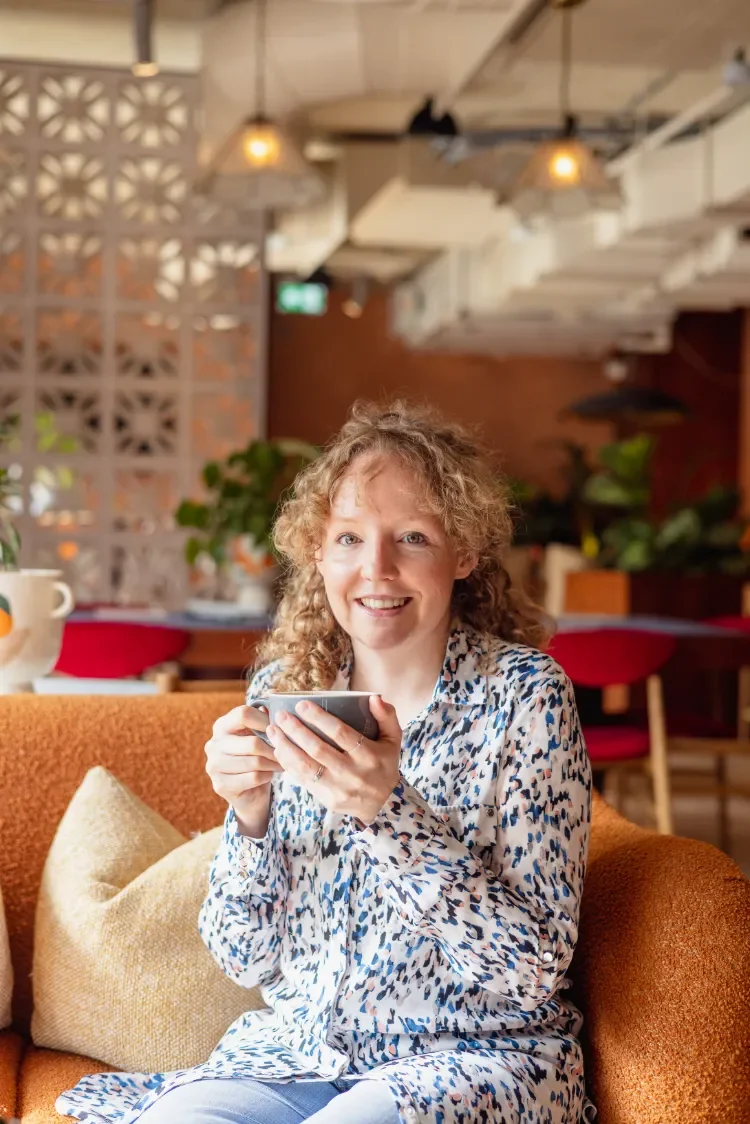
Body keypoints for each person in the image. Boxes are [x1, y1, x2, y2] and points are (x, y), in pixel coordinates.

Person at [57, 401, 595, 1124]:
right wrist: (248, 819)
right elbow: (243, 958)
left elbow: (532, 970)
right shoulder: (288, 689)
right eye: (348, 538)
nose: (376, 569)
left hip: (469, 1061)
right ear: (318, 552)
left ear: (463, 552)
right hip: (294, 1056)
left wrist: (387, 814)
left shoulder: (525, 697)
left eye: (412, 537)